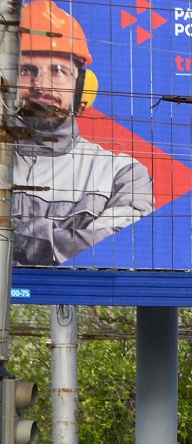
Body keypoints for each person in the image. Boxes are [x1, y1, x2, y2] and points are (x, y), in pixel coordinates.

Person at [13, 0, 154, 265]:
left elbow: (119, 244)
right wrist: (64, 239)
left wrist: (13, 237)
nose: (41, 86)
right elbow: (86, 243)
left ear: (82, 88)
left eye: (58, 71)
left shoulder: (122, 175)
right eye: (26, 70)